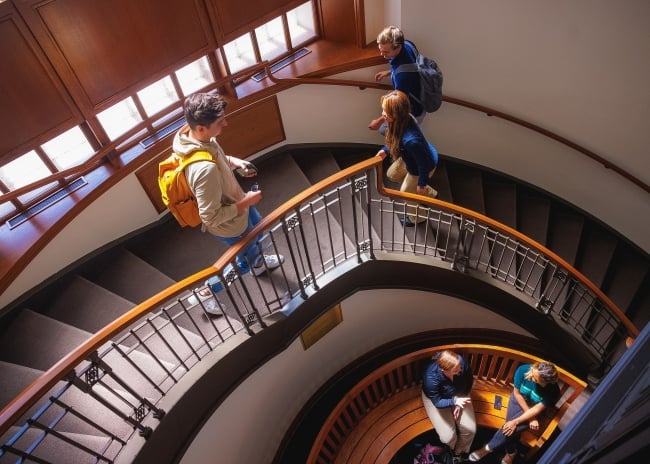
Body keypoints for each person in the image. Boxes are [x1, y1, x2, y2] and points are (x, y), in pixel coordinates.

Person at [172, 92, 284, 291]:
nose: (226, 124)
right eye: (220, 121)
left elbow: (217, 156)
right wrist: (247, 202)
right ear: (200, 128)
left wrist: (234, 162)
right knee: (243, 261)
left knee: (258, 234)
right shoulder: (203, 170)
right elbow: (210, 217)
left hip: (240, 204)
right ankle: (207, 293)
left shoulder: (196, 136)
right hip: (231, 224)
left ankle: (258, 263)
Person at [468, 362, 560, 464]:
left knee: (511, 426)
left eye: (534, 378)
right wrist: (530, 418)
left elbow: (537, 409)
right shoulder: (523, 370)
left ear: (544, 383)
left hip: (534, 408)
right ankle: (511, 452)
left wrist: (516, 422)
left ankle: (487, 448)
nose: (529, 376)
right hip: (518, 400)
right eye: (532, 372)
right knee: (510, 426)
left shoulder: (553, 391)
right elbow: (517, 394)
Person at [376, 90, 438, 226]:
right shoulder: (404, 119)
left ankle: (419, 218)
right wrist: (385, 150)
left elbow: (424, 164)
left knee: (405, 193)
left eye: (386, 111)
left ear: (396, 114)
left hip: (422, 165)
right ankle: (430, 193)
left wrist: (421, 184)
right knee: (392, 175)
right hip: (411, 158)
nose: (382, 114)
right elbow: (395, 137)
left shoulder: (411, 140)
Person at [422, 350, 476, 463]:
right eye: (456, 370)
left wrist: (459, 404)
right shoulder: (431, 378)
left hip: (459, 394)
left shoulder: (461, 362)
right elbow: (437, 402)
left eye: (459, 366)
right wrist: (454, 401)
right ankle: (449, 450)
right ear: (444, 371)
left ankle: (458, 453)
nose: (460, 370)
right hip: (439, 399)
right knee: (448, 436)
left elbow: (469, 381)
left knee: (470, 430)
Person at [369, 25, 425, 132]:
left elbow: (398, 105)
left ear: (398, 47)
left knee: (384, 130)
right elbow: (411, 66)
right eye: (381, 50)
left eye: (386, 52)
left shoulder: (403, 78)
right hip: (417, 97)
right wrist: (390, 72)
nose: (382, 54)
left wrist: (379, 121)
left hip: (412, 111)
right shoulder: (408, 44)